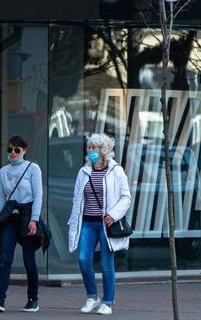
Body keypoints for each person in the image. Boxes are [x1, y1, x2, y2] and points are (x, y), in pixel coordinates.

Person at [68, 133, 132, 315]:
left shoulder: (116, 170)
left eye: (94, 147)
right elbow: (77, 199)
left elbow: (126, 197)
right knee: (83, 259)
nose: (90, 151)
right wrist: (74, 220)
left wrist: (113, 214)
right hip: (87, 222)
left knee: (106, 263)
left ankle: (107, 302)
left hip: (106, 224)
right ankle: (92, 297)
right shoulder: (84, 171)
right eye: (89, 147)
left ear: (103, 150)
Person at [0, 136, 44, 313]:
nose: (13, 153)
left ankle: (33, 299)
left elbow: (38, 196)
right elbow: (1, 199)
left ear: (24, 151)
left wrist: (34, 219)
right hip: (10, 217)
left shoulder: (33, 168)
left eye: (17, 150)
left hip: (27, 217)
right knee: (6, 258)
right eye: (10, 150)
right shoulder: (3, 171)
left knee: (28, 259)